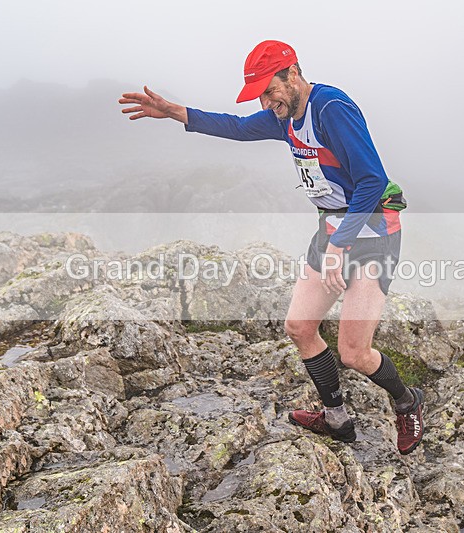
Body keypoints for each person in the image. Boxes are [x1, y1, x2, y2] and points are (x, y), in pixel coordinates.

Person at [119, 40, 424, 455]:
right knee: (299, 327)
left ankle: (407, 401)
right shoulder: (283, 118)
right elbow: (237, 127)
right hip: (333, 227)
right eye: (259, 95)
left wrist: (339, 245)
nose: (266, 102)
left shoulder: (331, 109)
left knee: (353, 352)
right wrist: (175, 112)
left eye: (270, 90)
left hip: (373, 231)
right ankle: (336, 417)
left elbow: (372, 180)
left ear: (293, 74)